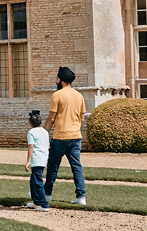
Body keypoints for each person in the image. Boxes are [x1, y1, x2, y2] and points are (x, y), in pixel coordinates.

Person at [43, 66, 86, 207]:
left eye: (57, 78)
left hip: (60, 136)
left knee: (53, 167)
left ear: (60, 80)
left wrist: (44, 134)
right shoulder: (79, 95)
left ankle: (47, 193)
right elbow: (82, 118)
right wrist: (76, 130)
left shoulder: (57, 95)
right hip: (75, 136)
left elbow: (51, 118)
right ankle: (81, 196)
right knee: (76, 167)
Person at [25, 109, 50, 211]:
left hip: (37, 158)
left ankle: (44, 204)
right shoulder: (45, 131)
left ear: (30, 123)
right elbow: (47, 145)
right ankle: (36, 201)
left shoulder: (31, 132)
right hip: (44, 158)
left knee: (38, 181)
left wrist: (28, 161)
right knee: (33, 180)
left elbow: (31, 146)